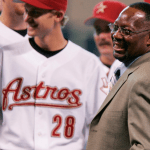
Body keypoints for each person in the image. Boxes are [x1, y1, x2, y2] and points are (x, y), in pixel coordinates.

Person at [0, 0, 107, 149]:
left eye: (35, 13)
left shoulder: (89, 64)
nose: (27, 18)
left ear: (58, 15)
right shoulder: (6, 55)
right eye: (27, 11)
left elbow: (101, 127)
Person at [87, 2, 150, 150]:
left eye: (126, 31)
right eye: (115, 28)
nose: (115, 35)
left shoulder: (144, 79)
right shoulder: (129, 68)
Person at [84, 0, 126, 82]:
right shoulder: (85, 71)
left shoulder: (138, 70)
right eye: (98, 30)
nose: (102, 36)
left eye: (109, 29)